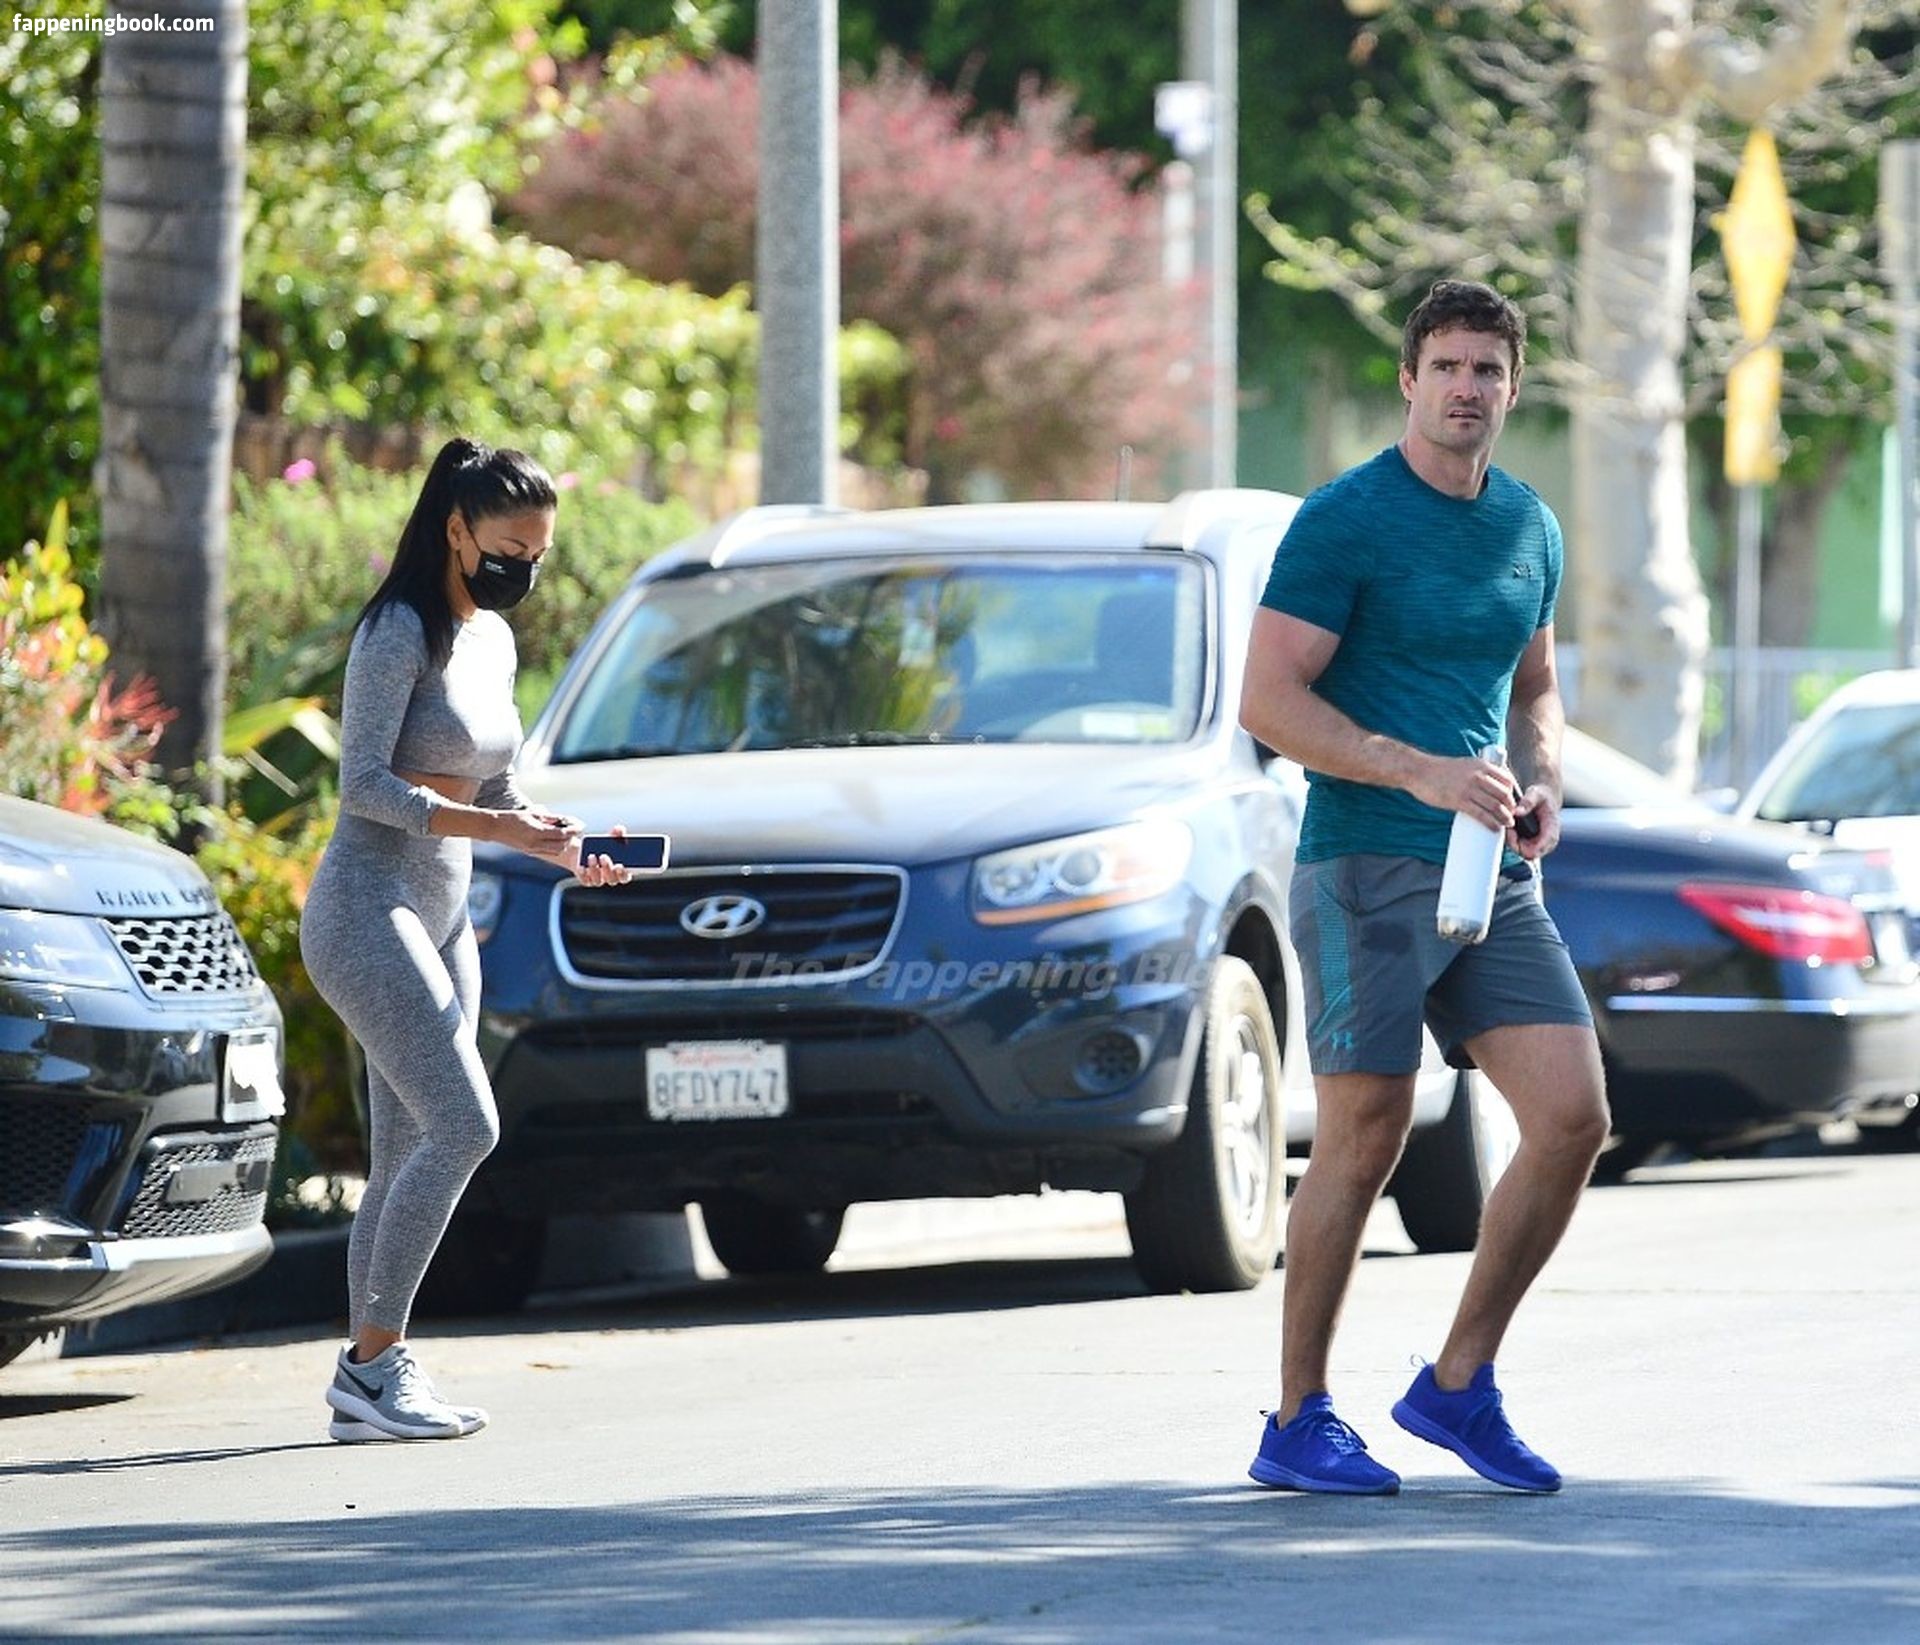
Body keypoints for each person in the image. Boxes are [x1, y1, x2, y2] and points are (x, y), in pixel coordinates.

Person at [1239, 280, 1609, 1495]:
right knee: (1368, 1132)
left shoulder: (1529, 526)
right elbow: (1269, 700)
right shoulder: (1345, 520)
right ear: (1408, 379)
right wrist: (1418, 769)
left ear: (1514, 386)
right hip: (1361, 862)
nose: (1466, 388)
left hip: (1489, 869)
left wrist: (1541, 779)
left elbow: (1534, 686)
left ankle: (1457, 1383)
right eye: (1446, 366)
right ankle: (1297, 1417)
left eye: (1487, 370)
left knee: (1571, 1117)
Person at [300, 437, 632, 1442]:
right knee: (465, 1125)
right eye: (508, 549)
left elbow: (496, 788)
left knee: (408, 1148)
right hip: (366, 907)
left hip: (444, 912)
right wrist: (495, 825)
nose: (521, 569)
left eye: (537, 554)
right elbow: (362, 784)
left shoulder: (494, 641)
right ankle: (373, 1366)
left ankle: (367, 1383)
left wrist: (560, 842)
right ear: (455, 528)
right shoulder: (398, 629)